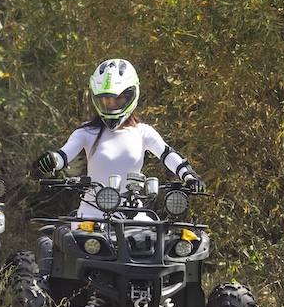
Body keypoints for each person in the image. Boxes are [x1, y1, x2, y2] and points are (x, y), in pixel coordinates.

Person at [37, 58, 203, 218]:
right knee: (75, 244)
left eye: (118, 98)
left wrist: (189, 176)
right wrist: (52, 160)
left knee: (164, 244)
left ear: (131, 95)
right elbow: (63, 154)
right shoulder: (86, 132)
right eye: (106, 99)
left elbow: (168, 155)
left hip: (133, 214)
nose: (111, 104)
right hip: (91, 215)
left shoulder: (143, 132)